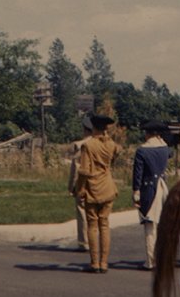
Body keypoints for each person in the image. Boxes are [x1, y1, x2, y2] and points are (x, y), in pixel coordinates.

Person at [75, 113, 123, 273]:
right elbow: (117, 152)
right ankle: (104, 263)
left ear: (93, 127)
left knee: (92, 225)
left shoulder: (88, 146)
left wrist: (79, 189)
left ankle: (94, 263)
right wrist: (107, 136)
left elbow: (84, 171)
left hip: (92, 188)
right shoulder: (111, 145)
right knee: (105, 225)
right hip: (107, 186)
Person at [132, 119, 171, 270]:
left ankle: (151, 261)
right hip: (163, 186)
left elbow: (138, 174)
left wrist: (136, 192)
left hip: (148, 188)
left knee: (149, 226)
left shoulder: (142, 150)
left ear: (149, 133)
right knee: (162, 226)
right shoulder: (165, 148)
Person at [67, 115, 94, 251]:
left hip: (83, 183)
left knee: (82, 211)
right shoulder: (100, 144)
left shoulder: (81, 146)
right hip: (98, 183)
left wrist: (72, 186)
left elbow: (76, 168)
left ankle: (84, 242)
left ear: (85, 129)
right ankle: (95, 240)